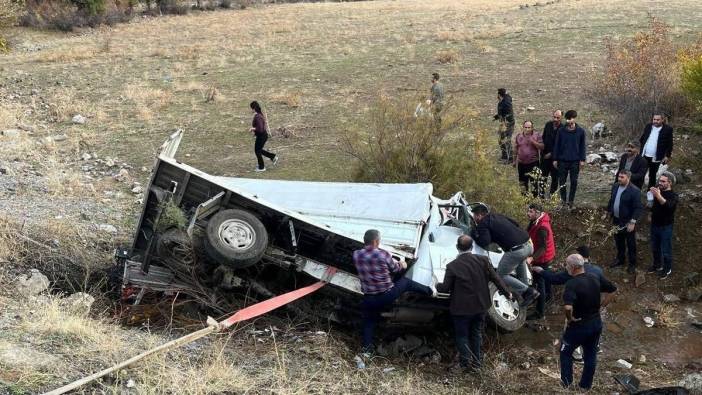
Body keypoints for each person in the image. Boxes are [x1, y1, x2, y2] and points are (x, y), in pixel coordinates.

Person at [436, 235, 512, 371]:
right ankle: (477, 364)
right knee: (476, 334)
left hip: (461, 309)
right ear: (472, 247)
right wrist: (508, 293)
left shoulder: (452, 266)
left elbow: (445, 288)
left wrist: (436, 285)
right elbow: (496, 279)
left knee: (462, 336)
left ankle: (465, 363)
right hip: (480, 306)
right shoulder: (483, 260)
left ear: (457, 248)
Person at [353, 229, 435, 354]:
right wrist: (402, 263)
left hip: (368, 298)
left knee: (368, 322)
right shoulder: (383, 254)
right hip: (386, 295)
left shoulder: (356, 254)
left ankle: (367, 351)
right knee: (406, 282)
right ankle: (430, 291)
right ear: (376, 241)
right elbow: (395, 269)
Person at [559, 254, 617, 391]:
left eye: (567, 265)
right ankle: (585, 386)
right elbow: (613, 289)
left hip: (578, 326)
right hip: (596, 323)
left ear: (572, 268)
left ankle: (566, 383)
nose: (566, 267)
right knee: (590, 354)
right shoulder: (594, 277)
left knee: (565, 352)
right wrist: (603, 305)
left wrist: (569, 318)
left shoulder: (571, 284)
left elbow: (568, 307)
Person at [470, 204, 539, 306]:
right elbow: (515, 223)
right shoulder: (497, 216)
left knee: (500, 276)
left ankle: (530, 292)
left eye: (474, 216)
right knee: (521, 272)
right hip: (529, 244)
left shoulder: (483, 223)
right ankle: (525, 296)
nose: (474, 218)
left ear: (479, 215)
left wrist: (474, 234)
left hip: (516, 250)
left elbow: (485, 241)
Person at [607, 170, 643, 274]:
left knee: (631, 243)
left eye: (622, 177)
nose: (619, 179)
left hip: (628, 221)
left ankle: (632, 264)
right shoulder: (615, 186)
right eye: (619, 177)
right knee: (619, 241)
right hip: (616, 219)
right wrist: (608, 212)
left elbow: (638, 208)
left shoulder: (634, 191)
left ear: (628, 178)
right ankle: (620, 259)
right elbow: (611, 200)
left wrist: (633, 222)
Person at [525, 203, 555, 320]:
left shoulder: (542, 227)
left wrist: (531, 258)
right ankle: (548, 298)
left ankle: (540, 312)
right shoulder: (537, 220)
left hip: (542, 258)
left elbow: (542, 248)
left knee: (539, 283)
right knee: (546, 278)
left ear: (537, 213)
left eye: (531, 211)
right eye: (528, 211)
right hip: (546, 256)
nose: (528, 213)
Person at [646, 171, 679, 279]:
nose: (659, 183)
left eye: (663, 181)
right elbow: (654, 205)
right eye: (659, 180)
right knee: (655, 247)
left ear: (669, 183)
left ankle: (667, 268)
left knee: (666, 249)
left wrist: (658, 195)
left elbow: (668, 207)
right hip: (655, 225)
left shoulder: (673, 196)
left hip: (666, 227)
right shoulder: (657, 190)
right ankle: (657, 265)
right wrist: (650, 213)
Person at [552, 110, 586, 207]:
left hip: (575, 161)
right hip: (562, 161)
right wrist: (555, 159)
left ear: (574, 118)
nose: (569, 121)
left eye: (571, 118)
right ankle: (563, 200)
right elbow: (557, 145)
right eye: (567, 119)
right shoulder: (561, 131)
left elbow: (582, 146)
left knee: (574, 181)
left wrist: (582, 160)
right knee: (562, 181)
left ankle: (571, 201)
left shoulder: (581, 131)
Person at [640, 113, 673, 189]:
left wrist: (667, 155)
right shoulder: (648, 126)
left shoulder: (668, 129)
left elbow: (670, 144)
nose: (655, 121)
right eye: (654, 119)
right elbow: (642, 139)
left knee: (652, 175)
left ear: (662, 120)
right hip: (644, 155)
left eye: (658, 120)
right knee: (641, 173)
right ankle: (637, 190)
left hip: (656, 157)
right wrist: (641, 149)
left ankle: (650, 192)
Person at [514, 120, 544, 197]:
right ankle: (525, 201)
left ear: (532, 128)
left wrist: (533, 142)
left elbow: (542, 147)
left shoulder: (537, 135)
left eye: (529, 127)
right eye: (525, 127)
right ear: (523, 127)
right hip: (521, 164)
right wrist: (514, 161)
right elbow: (516, 148)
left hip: (533, 163)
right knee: (522, 183)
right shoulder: (519, 136)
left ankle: (535, 201)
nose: (527, 129)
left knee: (534, 183)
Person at [249, 101, 278, 172]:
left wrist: (252, 129)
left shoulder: (258, 116)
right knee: (259, 150)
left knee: (257, 151)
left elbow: (260, 128)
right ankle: (273, 157)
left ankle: (261, 167)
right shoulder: (259, 114)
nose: (251, 110)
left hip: (262, 136)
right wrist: (255, 132)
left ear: (254, 108)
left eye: (251, 108)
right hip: (262, 136)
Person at [541, 110, 563, 197]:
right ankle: (541, 197)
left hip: (556, 158)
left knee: (555, 179)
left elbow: (562, 145)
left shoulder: (563, 128)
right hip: (545, 157)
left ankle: (551, 197)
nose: (555, 119)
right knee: (543, 177)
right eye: (554, 117)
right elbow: (543, 138)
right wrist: (542, 153)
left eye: (558, 117)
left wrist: (551, 154)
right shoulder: (548, 125)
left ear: (561, 118)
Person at [494, 88, 515, 163]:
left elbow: (509, 113)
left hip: (507, 124)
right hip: (504, 123)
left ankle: (510, 158)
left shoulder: (506, 102)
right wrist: (497, 117)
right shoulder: (503, 101)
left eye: (497, 94)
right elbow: (503, 111)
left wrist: (505, 122)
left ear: (499, 95)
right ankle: (504, 156)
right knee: (501, 140)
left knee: (506, 140)